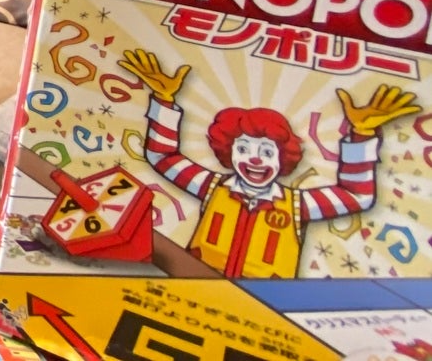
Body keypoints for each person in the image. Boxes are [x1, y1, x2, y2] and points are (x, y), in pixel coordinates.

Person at [119, 48, 419, 277]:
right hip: (196, 289)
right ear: (229, 153)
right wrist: (163, 100)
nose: (254, 159)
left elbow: (356, 195)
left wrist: (362, 135)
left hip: (263, 309)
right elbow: (163, 157)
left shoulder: (297, 205)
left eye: (266, 152)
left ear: (282, 158)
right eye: (243, 149)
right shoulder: (212, 187)